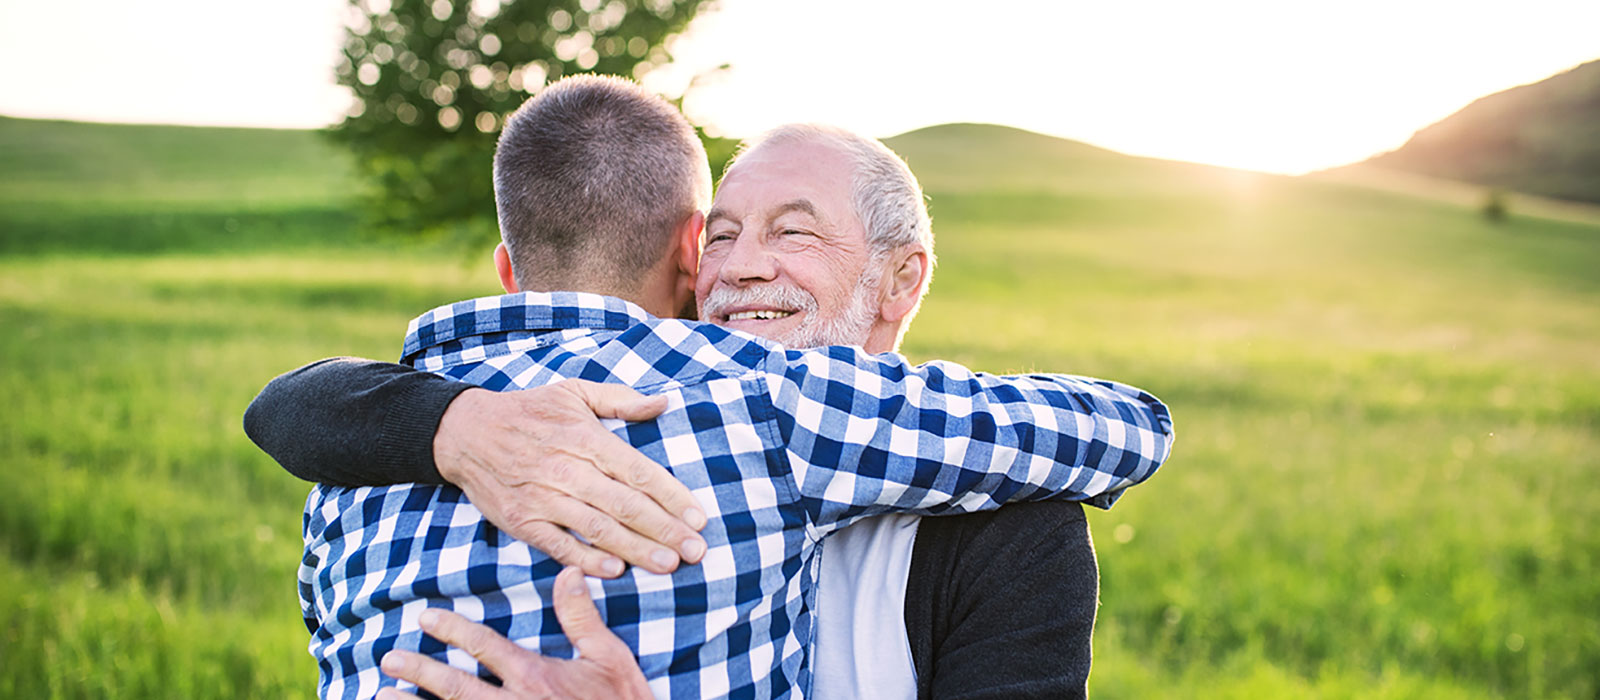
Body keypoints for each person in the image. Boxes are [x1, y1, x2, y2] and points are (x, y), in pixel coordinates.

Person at [248, 75, 1174, 700]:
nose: (743, 269)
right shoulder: (745, 402)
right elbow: (1129, 428)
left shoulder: (1011, 530)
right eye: (723, 235)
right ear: (688, 260)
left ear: (903, 281)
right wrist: (454, 427)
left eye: (795, 233)